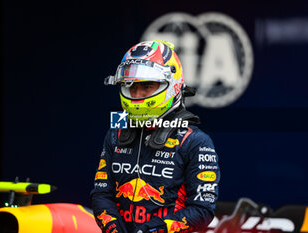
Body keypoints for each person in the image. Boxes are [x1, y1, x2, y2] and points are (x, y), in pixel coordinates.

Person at [90, 40, 220, 233]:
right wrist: (114, 229)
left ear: (171, 85)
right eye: (131, 87)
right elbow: (101, 194)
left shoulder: (195, 141)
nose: (137, 94)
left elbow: (202, 210)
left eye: (147, 86)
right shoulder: (116, 132)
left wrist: (152, 230)